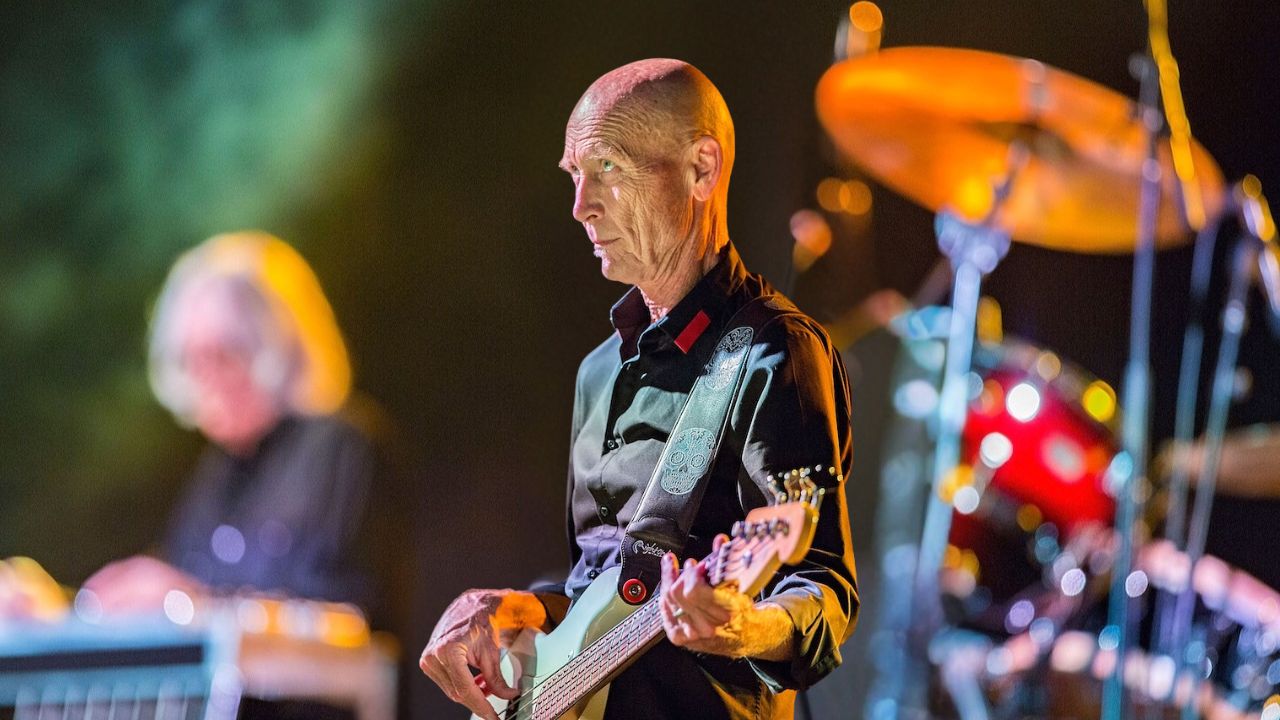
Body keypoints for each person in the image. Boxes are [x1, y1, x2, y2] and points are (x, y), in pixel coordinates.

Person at [419, 59, 858, 720]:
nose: (581, 207)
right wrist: (527, 608)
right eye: (576, 176)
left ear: (701, 170)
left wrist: (743, 626)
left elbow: (822, 590)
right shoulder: (600, 370)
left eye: (609, 169)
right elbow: (605, 584)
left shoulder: (777, 351)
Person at [83, 231, 393, 620]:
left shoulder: (342, 447)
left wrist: (190, 599)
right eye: (191, 361)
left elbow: (340, 614)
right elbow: (186, 582)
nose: (206, 381)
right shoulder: (216, 474)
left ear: (279, 347)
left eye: (224, 355)